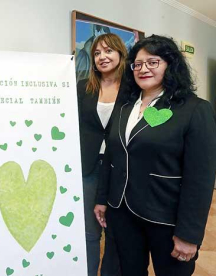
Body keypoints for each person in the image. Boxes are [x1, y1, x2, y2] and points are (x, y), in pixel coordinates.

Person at [94, 35, 216, 276]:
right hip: (123, 213)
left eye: (153, 62)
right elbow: (112, 155)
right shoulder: (126, 105)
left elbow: (200, 178)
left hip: (166, 218)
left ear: (170, 64)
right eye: (137, 64)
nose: (143, 69)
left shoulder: (193, 109)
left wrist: (189, 234)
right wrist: (103, 198)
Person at [77, 33, 127, 276]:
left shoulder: (133, 88)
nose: (102, 57)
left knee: (117, 231)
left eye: (108, 51)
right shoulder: (83, 87)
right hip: (88, 166)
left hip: (121, 168)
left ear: (120, 53)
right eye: (97, 53)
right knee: (90, 231)